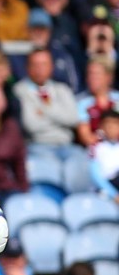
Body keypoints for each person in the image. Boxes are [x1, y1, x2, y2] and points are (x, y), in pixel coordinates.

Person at [14, 48, 90, 193]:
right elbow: (31, 125)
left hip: (67, 146)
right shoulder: (20, 90)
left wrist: (43, 110)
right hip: (38, 146)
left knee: (81, 162)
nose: (39, 69)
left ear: (51, 67)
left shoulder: (63, 89)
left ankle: (75, 206)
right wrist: (58, 115)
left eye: (44, 64)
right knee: (49, 170)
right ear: (27, 67)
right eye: (35, 64)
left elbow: (73, 118)